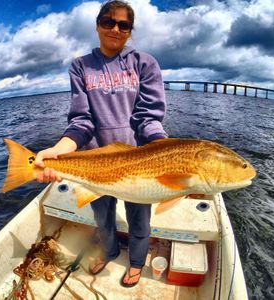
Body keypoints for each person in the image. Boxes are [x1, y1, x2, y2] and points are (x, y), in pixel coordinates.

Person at [35, 0, 167, 288]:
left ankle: (135, 262)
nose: (115, 29)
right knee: (102, 216)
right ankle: (109, 252)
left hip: (138, 163)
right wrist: (59, 151)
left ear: (130, 31)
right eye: (108, 22)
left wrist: (167, 150)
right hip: (95, 161)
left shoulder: (145, 63)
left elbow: (148, 119)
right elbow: (82, 121)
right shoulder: (80, 66)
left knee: (140, 218)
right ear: (97, 25)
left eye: (124, 25)